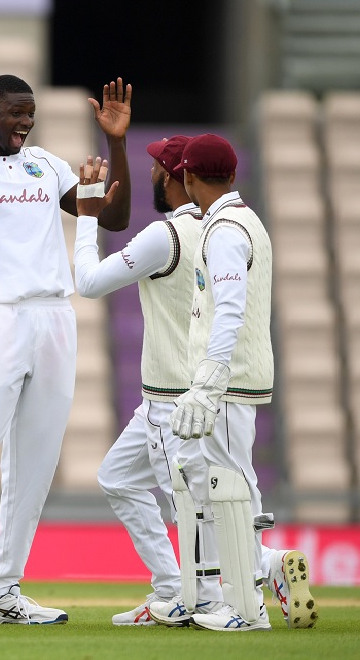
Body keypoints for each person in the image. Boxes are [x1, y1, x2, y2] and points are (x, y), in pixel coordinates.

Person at [0, 75, 133, 624]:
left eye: (30, 113)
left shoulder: (47, 165)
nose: (25, 122)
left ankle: (4, 591)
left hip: (55, 318)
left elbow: (114, 216)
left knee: (34, 465)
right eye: (15, 112)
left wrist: (118, 144)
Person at [148, 134, 316, 632]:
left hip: (226, 381)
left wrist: (208, 381)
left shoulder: (222, 230)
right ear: (234, 175)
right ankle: (254, 578)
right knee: (216, 480)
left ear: (189, 178)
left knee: (229, 484)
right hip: (235, 378)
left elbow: (229, 310)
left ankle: (247, 607)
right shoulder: (244, 220)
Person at [73, 137, 204, 624]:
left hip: (173, 399)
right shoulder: (223, 229)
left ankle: (262, 566)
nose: (152, 175)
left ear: (177, 177)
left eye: (156, 168)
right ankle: (170, 587)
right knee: (118, 477)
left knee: (189, 505)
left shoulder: (165, 234)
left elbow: (88, 283)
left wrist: (87, 214)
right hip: (186, 393)